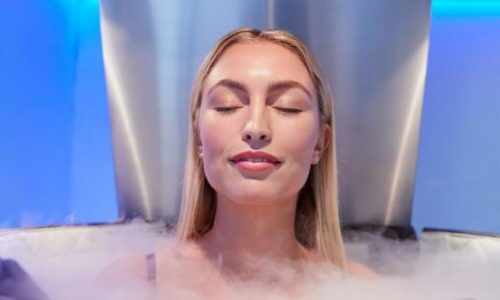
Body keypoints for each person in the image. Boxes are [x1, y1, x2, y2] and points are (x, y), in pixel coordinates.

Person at [106, 27, 375, 296]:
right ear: (198, 137)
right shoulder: (127, 285)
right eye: (227, 105)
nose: (256, 127)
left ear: (320, 143)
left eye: (287, 107)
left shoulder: (364, 291)